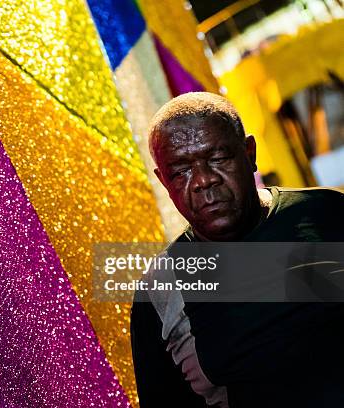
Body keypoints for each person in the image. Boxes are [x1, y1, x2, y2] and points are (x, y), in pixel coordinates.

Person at [130, 92, 344, 407]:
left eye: (217, 157)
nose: (203, 180)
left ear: (249, 152)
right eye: (181, 171)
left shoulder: (326, 213)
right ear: (164, 182)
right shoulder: (160, 292)